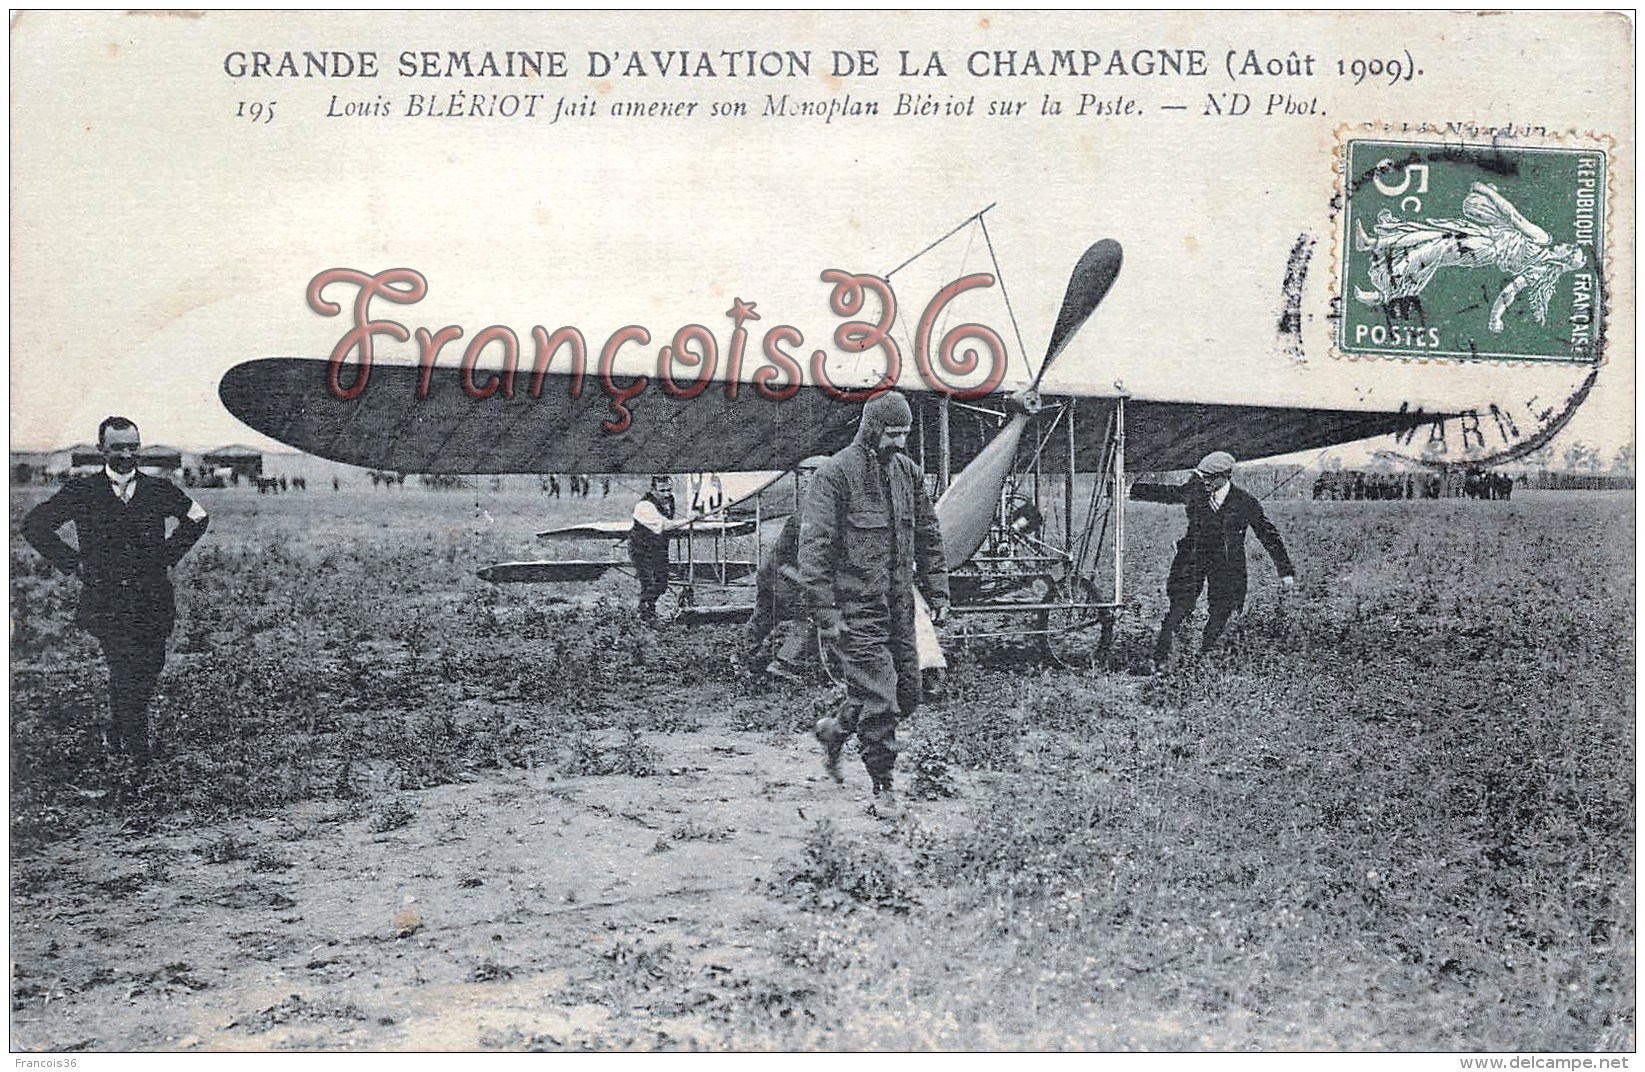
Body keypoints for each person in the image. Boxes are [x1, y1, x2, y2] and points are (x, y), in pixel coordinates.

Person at [22, 416, 210, 775]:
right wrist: (71, 563)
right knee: (125, 667)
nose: (126, 455)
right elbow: (35, 525)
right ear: (101, 450)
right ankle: (136, 749)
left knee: (148, 666)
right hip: (106, 600)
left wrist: (168, 556)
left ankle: (118, 729)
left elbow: (198, 518)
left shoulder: (159, 489)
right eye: (118, 448)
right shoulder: (82, 492)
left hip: (153, 599)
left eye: (132, 447)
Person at [800, 391, 949, 818]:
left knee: (908, 693)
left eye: (904, 434)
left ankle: (837, 729)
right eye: (891, 433)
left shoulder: (908, 473)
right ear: (871, 428)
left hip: (899, 606)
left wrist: (937, 590)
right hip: (854, 611)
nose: (898, 442)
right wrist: (825, 613)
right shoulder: (834, 475)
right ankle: (883, 790)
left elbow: (929, 536)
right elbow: (815, 548)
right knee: (881, 699)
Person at [1131, 450, 1294, 669]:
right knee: (1179, 605)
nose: (1203, 481)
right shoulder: (1196, 490)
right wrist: (1133, 489)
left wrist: (1285, 571)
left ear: (1225, 476)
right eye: (1201, 476)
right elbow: (1171, 493)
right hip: (1192, 559)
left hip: (1226, 564)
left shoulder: (1245, 502)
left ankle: (1205, 654)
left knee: (1222, 609)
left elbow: (1268, 534)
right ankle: (1161, 657)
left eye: (1208, 477)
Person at [743, 456, 830, 685]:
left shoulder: (812, 506)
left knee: (765, 617)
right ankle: (785, 663)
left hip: (772, 573)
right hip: (784, 574)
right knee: (811, 614)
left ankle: (742, 656)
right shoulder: (813, 510)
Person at [629, 474, 699, 622]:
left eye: (669, 490)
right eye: (662, 491)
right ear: (652, 490)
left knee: (662, 584)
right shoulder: (644, 506)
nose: (666, 494)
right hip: (642, 550)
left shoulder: (668, 501)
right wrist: (688, 520)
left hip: (659, 549)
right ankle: (644, 615)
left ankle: (647, 611)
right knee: (650, 583)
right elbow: (663, 525)